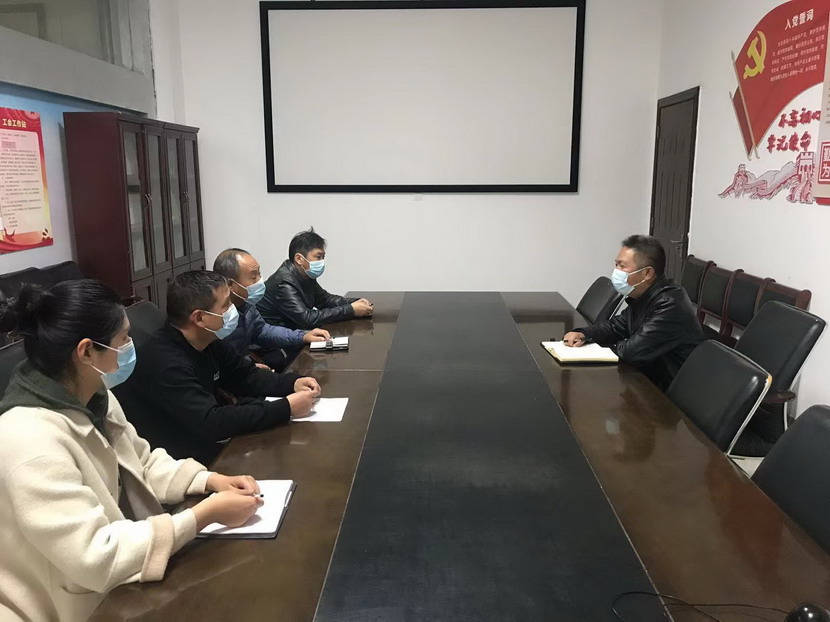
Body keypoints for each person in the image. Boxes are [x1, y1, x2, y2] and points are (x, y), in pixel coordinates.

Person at [0, 280, 267, 622]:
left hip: (117, 583)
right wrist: (203, 515)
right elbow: (96, 555)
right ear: (86, 351)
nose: (131, 345)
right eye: (124, 338)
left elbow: (141, 462)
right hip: (66, 606)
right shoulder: (30, 442)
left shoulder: (95, 395)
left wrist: (209, 480)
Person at [113, 271, 320, 466]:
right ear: (199, 318)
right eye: (226, 305)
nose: (233, 310)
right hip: (175, 457)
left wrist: (292, 383)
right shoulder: (166, 362)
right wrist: (285, 408)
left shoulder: (208, 340)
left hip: (200, 436)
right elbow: (211, 422)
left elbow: (245, 376)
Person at [563, 235, 705, 390]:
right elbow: (616, 326)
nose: (616, 272)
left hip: (670, 392)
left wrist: (593, 351)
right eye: (616, 265)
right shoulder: (643, 296)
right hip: (647, 378)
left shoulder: (669, 303)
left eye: (622, 266)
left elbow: (631, 352)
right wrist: (584, 333)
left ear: (647, 273)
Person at [213, 247, 331, 371]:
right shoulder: (216, 316)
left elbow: (263, 331)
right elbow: (218, 361)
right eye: (253, 277)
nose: (260, 281)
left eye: (259, 274)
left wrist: (302, 336)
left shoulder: (246, 305)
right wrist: (247, 366)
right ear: (231, 285)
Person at [257, 227, 374, 329]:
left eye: (323, 257)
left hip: (293, 332)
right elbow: (307, 319)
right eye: (318, 257)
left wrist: (355, 302)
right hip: (274, 341)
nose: (321, 261)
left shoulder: (305, 275)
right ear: (299, 259)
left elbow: (325, 300)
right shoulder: (284, 283)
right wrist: (351, 310)